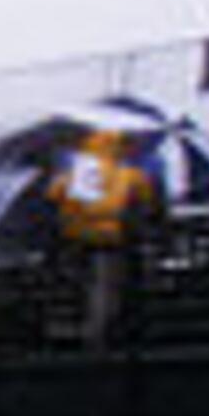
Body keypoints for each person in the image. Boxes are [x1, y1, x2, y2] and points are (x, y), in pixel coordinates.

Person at [49, 125, 158, 353]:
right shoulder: (128, 173)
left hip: (77, 236)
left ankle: (89, 326)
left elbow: (53, 193)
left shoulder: (78, 173)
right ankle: (102, 332)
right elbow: (147, 197)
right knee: (106, 286)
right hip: (111, 237)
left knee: (88, 284)